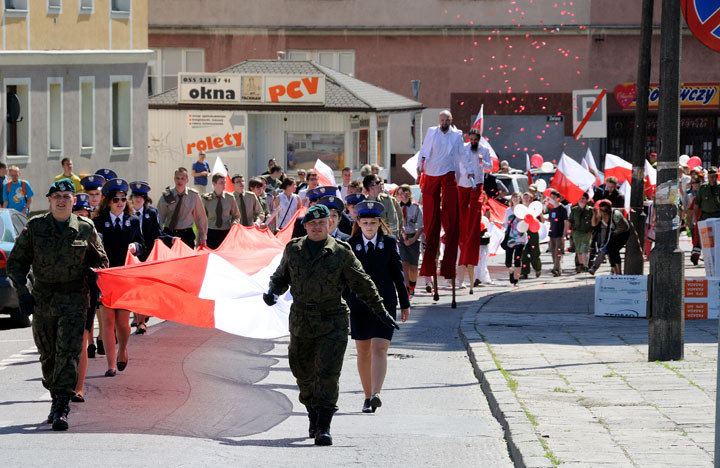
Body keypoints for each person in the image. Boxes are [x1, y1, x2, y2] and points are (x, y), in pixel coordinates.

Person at [264, 204, 399, 446]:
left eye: (321, 223)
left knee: (327, 373)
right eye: (312, 224)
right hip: (301, 321)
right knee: (302, 372)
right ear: (305, 226)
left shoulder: (341, 252)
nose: (317, 227)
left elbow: (363, 283)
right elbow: (282, 276)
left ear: (330, 224)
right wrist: (272, 291)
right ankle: (313, 413)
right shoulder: (294, 249)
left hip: (332, 320)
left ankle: (324, 425)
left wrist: (382, 311)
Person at [7, 178, 108, 431]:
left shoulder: (85, 228)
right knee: (48, 355)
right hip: (42, 300)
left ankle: (61, 406)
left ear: (73, 201)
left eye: (67, 197)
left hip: (74, 300)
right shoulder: (35, 227)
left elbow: (102, 262)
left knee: (68, 353)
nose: (62, 201)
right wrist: (22, 293)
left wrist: (94, 274)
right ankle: (56, 396)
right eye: (57, 197)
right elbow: (16, 263)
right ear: (50, 200)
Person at [346, 200, 410, 413]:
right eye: (365, 223)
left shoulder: (389, 243)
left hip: (385, 303)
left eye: (373, 223)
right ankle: (366, 396)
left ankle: (376, 393)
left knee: (380, 347)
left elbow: (398, 275)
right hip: (359, 303)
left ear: (379, 223)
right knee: (363, 351)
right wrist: (345, 307)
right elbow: (345, 279)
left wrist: (405, 304)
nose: (369, 227)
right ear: (359, 223)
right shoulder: (351, 245)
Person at [93, 178, 145, 377]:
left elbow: (142, 245)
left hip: (124, 277)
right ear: (108, 202)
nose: (120, 202)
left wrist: (135, 247)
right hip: (105, 277)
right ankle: (111, 364)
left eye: (123, 199)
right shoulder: (98, 222)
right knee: (107, 321)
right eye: (116, 199)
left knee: (123, 323)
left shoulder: (132, 221)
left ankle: (123, 348)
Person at [416, 110, 474, 279]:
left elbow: (463, 154)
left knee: (450, 215)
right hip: (433, 172)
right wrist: (421, 164)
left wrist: (469, 170)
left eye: (446, 120)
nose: (443, 122)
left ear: (451, 120)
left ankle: (448, 266)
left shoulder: (456, 135)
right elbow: (424, 150)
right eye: (441, 120)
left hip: (448, 171)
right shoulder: (432, 132)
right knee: (431, 218)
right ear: (438, 121)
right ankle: (429, 264)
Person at [70, 192, 98, 404]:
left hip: (86, 294)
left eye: (85, 213)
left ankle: (79, 387)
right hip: (61, 294)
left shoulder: (93, 235)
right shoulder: (60, 234)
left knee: (81, 340)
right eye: (77, 213)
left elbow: (103, 263)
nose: (81, 216)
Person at [457, 129, 494, 286]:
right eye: (470, 139)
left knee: (474, 210)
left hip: (477, 184)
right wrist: (466, 172)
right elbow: (460, 162)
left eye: (474, 139)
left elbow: (490, 166)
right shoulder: (464, 148)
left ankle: (472, 225)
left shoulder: (484, 150)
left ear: (478, 140)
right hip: (465, 183)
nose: (472, 141)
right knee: (462, 212)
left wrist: (482, 162)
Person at [128, 181, 164, 334]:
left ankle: (142, 320)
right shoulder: (127, 213)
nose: (138, 200)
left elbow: (158, 233)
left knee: (145, 289)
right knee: (135, 288)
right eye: (135, 196)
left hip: (148, 255)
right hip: (133, 255)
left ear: (145, 199)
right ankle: (137, 317)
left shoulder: (152, 212)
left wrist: (171, 239)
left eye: (141, 197)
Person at [157, 167, 208, 248]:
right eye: (177, 178)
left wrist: (203, 236)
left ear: (187, 180)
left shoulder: (193, 196)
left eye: (182, 178)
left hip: (186, 234)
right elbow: (160, 217)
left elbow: (200, 217)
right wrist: (158, 235)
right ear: (174, 179)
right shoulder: (166, 196)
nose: (179, 181)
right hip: (170, 234)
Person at [395, 185, 423, 297]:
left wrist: (413, 239)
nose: (401, 196)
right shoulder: (397, 207)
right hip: (402, 238)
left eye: (403, 193)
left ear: (408, 193)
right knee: (404, 264)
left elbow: (421, 226)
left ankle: (412, 285)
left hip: (414, 237)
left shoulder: (416, 207)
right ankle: (406, 289)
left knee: (413, 266)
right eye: (399, 194)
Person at [589, 199, 630, 275]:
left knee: (614, 250)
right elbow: (594, 225)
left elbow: (625, 227)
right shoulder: (600, 213)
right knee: (608, 250)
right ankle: (615, 271)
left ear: (610, 209)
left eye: (605, 211)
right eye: (601, 210)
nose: (603, 213)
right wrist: (594, 214)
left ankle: (619, 273)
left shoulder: (616, 214)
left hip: (621, 233)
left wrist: (614, 233)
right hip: (611, 232)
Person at [202, 174, 240, 249]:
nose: (224, 185)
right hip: (211, 232)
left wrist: (234, 223)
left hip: (225, 231)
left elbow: (236, 215)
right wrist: (201, 235)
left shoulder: (230, 198)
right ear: (214, 183)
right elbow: (202, 218)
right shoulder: (206, 199)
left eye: (225, 182)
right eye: (221, 182)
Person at [693, 167, 720, 266]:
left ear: (717, 176)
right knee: (704, 239)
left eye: (714, 176)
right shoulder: (703, 188)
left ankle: (716, 258)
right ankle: (704, 257)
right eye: (710, 177)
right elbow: (697, 204)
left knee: (717, 240)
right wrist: (695, 218)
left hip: (717, 217)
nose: (712, 179)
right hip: (705, 217)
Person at [363, 174, 403, 239]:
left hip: (386, 238)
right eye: (378, 182)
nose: (381, 183)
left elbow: (393, 221)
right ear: (371, 187)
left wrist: (394, 238)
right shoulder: (363, 203)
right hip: (370, 238)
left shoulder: (387, 200)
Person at [503, 192, 527, 285]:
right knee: (508, 262)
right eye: (514, 197)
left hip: (520, 238)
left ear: (520, 199)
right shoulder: (508, 210)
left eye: (517, 197)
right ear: (511, 199)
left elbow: (527, 221)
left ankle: (516, 279)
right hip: (510, 238)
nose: (515, 198)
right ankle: (511, 271)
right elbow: (505, 223)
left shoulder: (523, 209)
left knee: (517, 259)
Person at [519, 192, 543, 279]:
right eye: (524, 197)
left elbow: (542, 221)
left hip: (533, 231)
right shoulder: (520, 209)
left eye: (528, 197)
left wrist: (538, 215)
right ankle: (524, 272)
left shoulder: (534, 208)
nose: (526, 199)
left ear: (531, 199)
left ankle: (537, 269)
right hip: (523, 232)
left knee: (534, 252)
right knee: (523, 253)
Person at [547, 190, 570, 277]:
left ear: (558, 198)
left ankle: (556, 269)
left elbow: (566, 222)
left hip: (560, 234)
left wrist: (564, 235)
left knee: (558, 251)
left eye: (553, 198)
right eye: (551, 197)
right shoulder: (550, 208)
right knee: (553, 252)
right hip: (552, 233)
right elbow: (549, 220)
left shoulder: (562, 209)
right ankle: (557, 269)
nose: (552, 199)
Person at [570, 193, 594, 273]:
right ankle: (581, 265)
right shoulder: (574, 209)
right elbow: (571, 221)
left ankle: (585, 266)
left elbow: (594, 222)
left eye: (583, 198)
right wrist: (568, 231)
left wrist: (595, 214)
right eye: (580, 198)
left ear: (586, 200)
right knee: (579, 250)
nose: (581, 200)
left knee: (585, 248)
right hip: (577, 233)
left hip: (587, 232)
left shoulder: (590, 210)